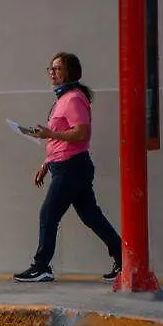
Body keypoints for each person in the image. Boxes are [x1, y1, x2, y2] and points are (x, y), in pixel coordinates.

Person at [15, 52, 123, 283]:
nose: (52, 73)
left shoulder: (73, 98)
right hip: (65, 165)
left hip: (71, 167)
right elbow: (58, 138)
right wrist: (46, 163)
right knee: (91, 216)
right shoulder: (62, 98)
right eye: (50, 69)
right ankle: (125, 259)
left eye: (57, 69)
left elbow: (82, 133)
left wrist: (49, 133)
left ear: (69, 72)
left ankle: (41, 267)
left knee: (48, 214)